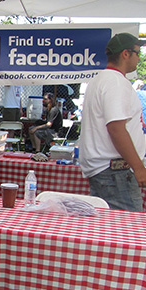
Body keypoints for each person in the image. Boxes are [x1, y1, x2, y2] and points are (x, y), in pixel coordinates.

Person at [79, 32, 146, 212]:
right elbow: (116, 129)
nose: (139, 59)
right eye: (137, 53)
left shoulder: (101, 80)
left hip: (111, 172)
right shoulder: (115, 82)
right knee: (130, 232)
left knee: (114, 230)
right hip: (116, 172)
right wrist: (139, 168)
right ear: (126, 54)